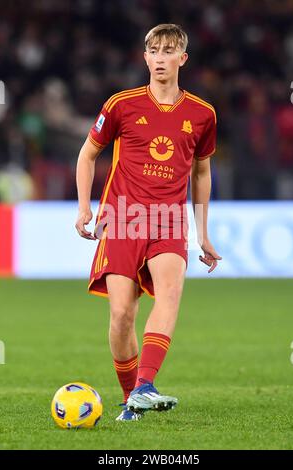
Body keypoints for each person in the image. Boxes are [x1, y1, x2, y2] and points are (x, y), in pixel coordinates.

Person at [75, 24, 221, 421]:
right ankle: (131, 399)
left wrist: (203, 232)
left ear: (182, 59)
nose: (159, 57)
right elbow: (87, 155)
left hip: (170, 220)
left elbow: (202, 172)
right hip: (122, 219)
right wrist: (85, 207)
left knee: (170, 295)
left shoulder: (203, 113)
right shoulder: (121, 104)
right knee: (122, 315)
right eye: (153, 51)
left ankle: (145, 385)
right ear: (145, 58)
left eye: (168, 50)